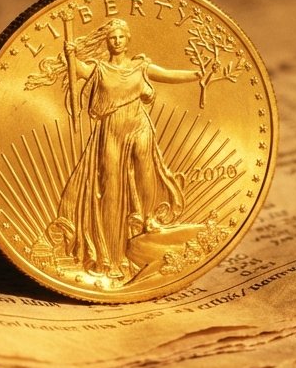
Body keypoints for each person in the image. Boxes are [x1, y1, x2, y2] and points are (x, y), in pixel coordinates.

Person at [42, 18, 201, 282]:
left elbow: (170, 75)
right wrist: (70, 54)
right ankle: (110, 253)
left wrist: (197, 75)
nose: (116, 41)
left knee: (145, 169)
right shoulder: (100, 68)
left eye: (120, 37)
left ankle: (149, 219)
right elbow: (79, 69)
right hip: (110, 131)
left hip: (138, 124)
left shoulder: (141, 67)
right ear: (108, 42)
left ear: (128, 40)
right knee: (110, 186)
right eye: (112, 38)